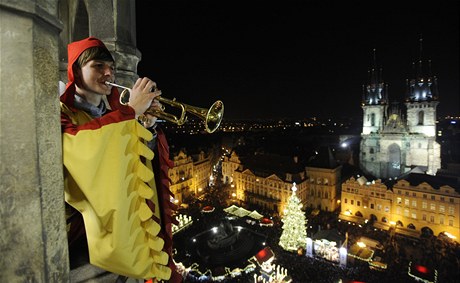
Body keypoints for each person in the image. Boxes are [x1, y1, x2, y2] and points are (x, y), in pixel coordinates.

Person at [60, 36, 182, 282]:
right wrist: (130, 112)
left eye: (112, 68)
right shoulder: (64, 113)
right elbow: (81, 148)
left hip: (125, 227)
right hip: (85, 236)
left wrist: (146, 128)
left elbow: (136, 168)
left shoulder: (116, 116)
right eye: (98, 66)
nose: (109, 73)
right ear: (76, 71)